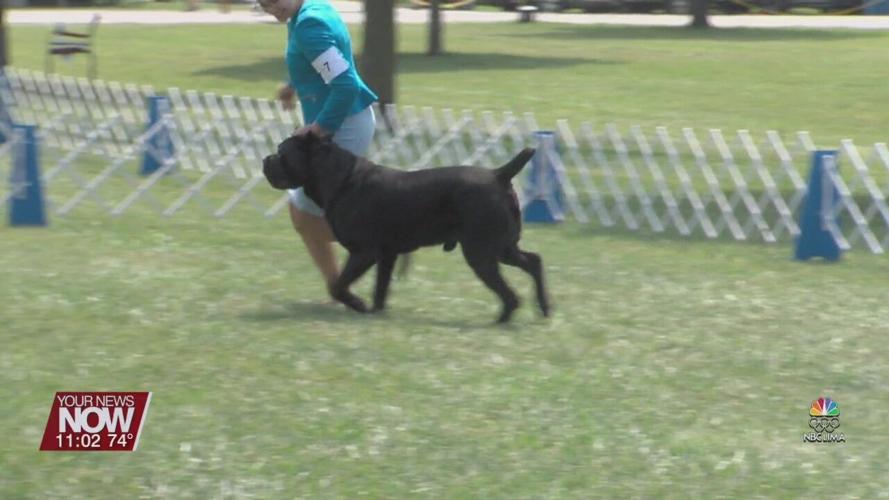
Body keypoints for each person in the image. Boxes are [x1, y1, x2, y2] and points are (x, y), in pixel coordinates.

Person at [258, 0, 378, 296]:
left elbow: (346, 84)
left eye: (274, 1)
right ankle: (338, 287)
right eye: (263, 4)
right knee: (304, 212)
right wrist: (292, 85)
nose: (271, 8)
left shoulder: (309, 25)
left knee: (305, 214)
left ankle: (380, 241)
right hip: (345, 121)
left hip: (343, 125)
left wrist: (321, 128)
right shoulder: (309, 10)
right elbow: (323, 61)